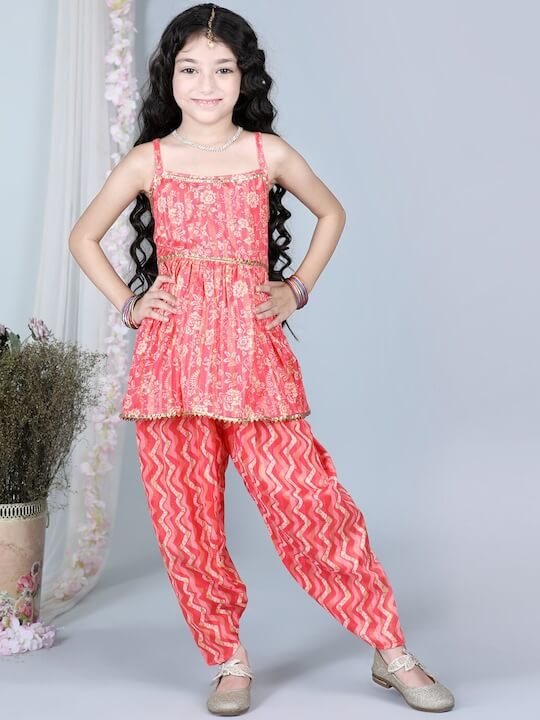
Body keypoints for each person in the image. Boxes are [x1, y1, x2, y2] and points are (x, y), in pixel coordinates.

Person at [68, 3, 455, 715]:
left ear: (243, 78)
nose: (206, 84)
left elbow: (332, 212)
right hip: (172, 362)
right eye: (191, 69)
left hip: (254, 356)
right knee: (186, 521)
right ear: (169, 77)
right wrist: (130, 302)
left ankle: (389, 647)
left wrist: (296, 287)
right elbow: (83, 237)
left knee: (311, 504)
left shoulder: (265, 153)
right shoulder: (150, 160)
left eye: (222, 70)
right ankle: (228, 660)